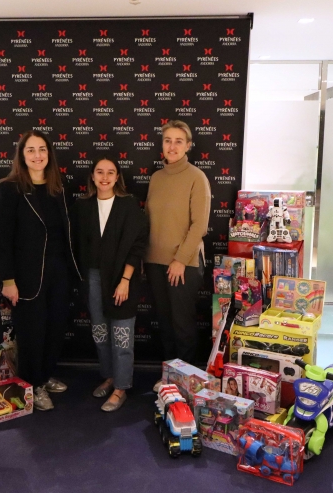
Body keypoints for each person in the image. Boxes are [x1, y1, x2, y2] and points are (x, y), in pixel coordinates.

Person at [0, 130, 80, 411]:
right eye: (31, 150)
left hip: (59, 272)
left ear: (49, 154)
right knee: (31, 333)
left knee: (54, 330)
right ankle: (32, 384)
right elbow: (2, 238)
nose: (37, 155)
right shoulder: (10, 188)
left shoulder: (59, 187)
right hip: (26, 277)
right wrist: (7, 279)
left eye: (42, 149)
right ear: (22, 155)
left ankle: (44, 376)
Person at [72, 157, 148, 412]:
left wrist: (125, 280)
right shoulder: (82, 207)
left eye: (110, 172)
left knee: (122, 336)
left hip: (122, 277)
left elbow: (138, 246)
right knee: (100, 333)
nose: (105, 177)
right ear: (92, 176)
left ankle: (121, 387)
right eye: (99, 172)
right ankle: (110, 376)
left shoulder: (128, 205)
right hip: (93, 278)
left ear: (118, 177)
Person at [145, 120, 211, 392]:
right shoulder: (157, 177)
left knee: (182, 325)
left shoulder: (197, 177)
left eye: (178, 141)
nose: (172, 146)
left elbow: (199, 224)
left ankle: (187, 383)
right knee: (165, 323)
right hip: (154, 262)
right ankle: (170, 378)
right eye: (168, 140)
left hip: (183, 264)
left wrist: (180, 260)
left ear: (188, 146)